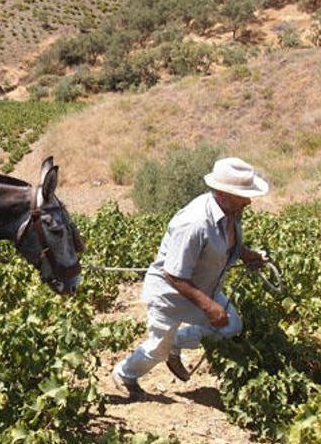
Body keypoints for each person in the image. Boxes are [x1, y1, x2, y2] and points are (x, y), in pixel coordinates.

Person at [112, 157, 269, 397]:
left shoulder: (231, 213)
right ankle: (124, 374)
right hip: (170, 294)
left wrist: (247, 255)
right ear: (223, 194)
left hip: (205, 287)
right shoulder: (194, 222)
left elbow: (227, 246)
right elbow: (174, 275)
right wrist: (209, 307)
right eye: (243, 195)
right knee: (157, 350)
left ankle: (176, 342)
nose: (248, 201)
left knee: (230, 326)